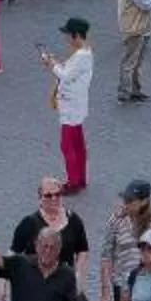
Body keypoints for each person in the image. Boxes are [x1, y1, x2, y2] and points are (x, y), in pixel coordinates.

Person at [42, 17, 94, 192]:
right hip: (76, 104)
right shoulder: (85, 53)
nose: (67, 39)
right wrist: (57, 63)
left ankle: (73, 181)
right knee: (78, 143)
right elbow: (69, 71)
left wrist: (51, 64)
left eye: (68, 35)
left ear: (76, 35)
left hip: (71, 106)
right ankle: (80, 177)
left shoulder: (81, 56)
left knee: (67, 145)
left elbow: (65, 76)